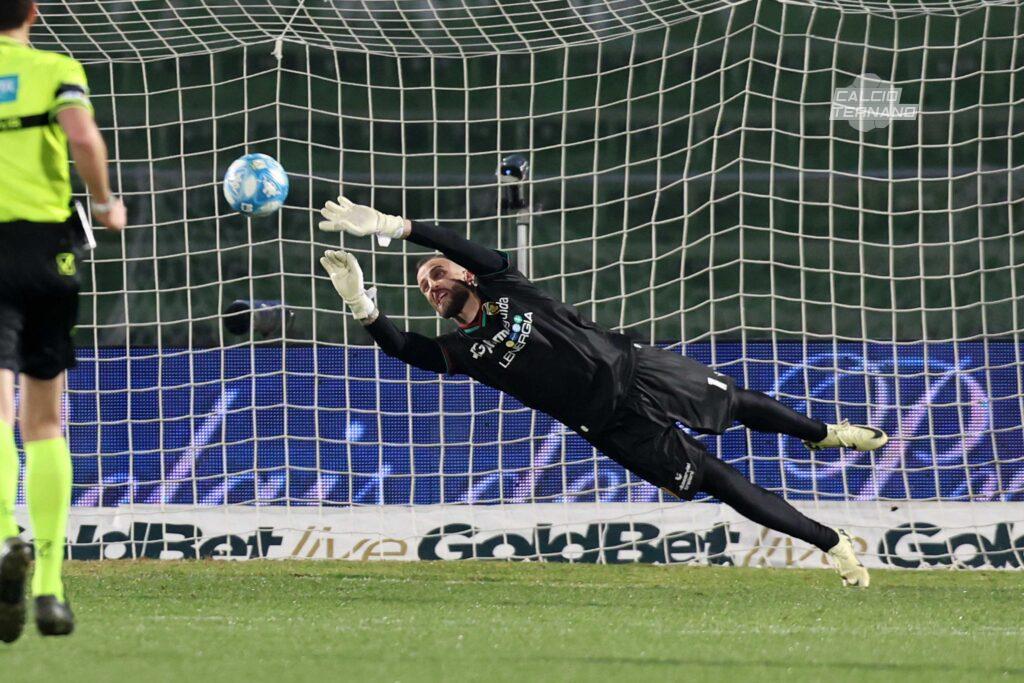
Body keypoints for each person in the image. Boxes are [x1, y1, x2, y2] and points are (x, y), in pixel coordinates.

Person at [317, 196, 885, 587]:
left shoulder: (504, 284)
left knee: (736, 403)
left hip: (636, 368)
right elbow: (405, 349)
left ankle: (822, 434)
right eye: (423, 286)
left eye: (438, 274)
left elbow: (459, 245)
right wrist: (361, 303)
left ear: (465, 275)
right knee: (721, 482)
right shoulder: (461, 350)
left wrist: (394, 226)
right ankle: (831, 542)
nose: (432, 286)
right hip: (612, 426)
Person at [0, 0, 126, 642]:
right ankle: (50, 583)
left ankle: (4, 538)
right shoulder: (55, 68)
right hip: (48, 251)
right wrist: (104, 204)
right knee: (43, 421)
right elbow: (81, 136)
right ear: (33, 11)